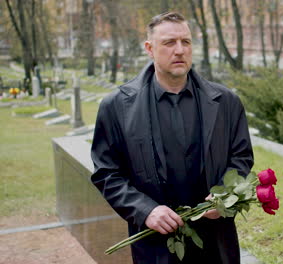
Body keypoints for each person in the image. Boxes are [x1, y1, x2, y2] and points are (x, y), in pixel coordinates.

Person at [90, 12, 254, 264]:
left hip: (216, 240)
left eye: (185, 42)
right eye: (169, 43)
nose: (179, 50)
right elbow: (107, 173)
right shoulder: (117, 106)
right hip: (154, 242)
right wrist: (145, 210)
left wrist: (224, 196)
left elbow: (241, 157)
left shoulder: (226, 103)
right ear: (150, 48)